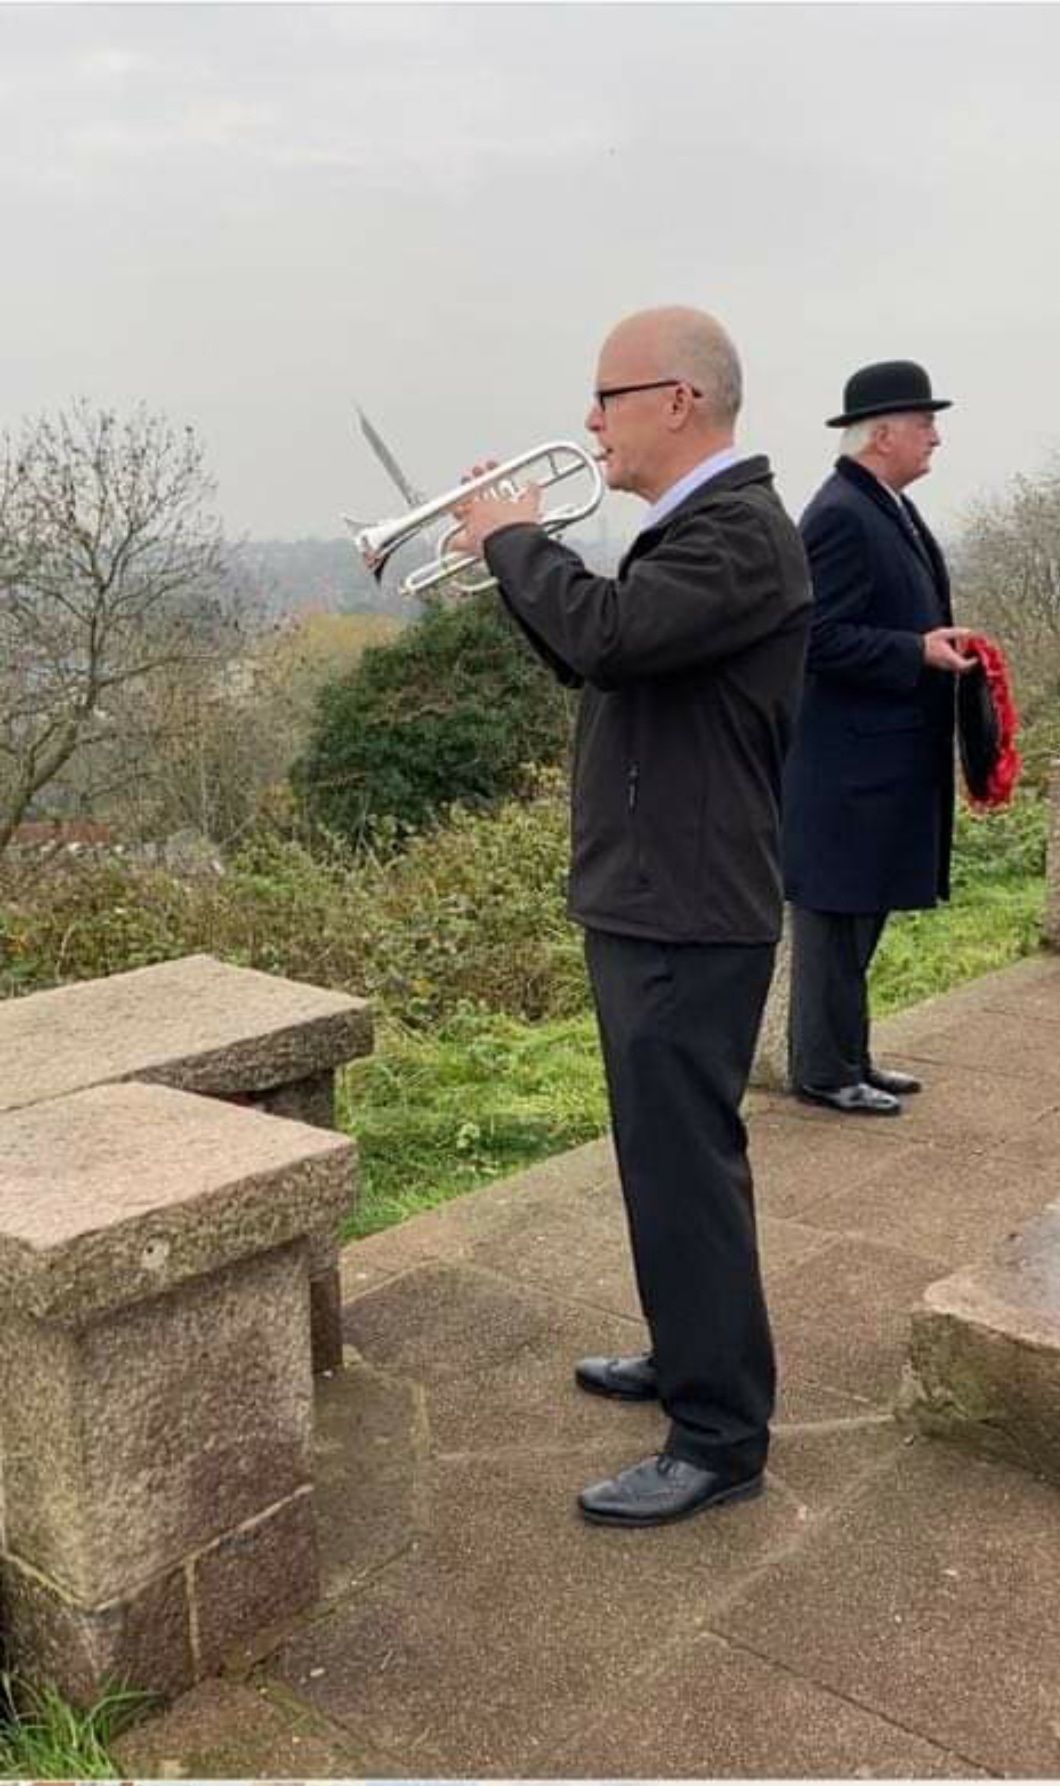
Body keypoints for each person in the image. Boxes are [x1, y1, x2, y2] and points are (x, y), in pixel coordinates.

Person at [451, 306, 811, 1528]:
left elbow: (605, 631)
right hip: (658, 893)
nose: (589, 421)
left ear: (680, 402)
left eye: (607, 397)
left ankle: (717, 1434)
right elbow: (598, 650)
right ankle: (689, 1350)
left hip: (684, 904)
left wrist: (508, 538)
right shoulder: (697, 529)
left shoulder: (739, 534)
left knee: (684, 1169)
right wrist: (514, 561)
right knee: (664, 1163)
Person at [782, 361, 975, 1116]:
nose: (936, 436)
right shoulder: (838, 514)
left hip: (879, 758)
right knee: (834, 921)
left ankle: (850, 1056)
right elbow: (813, 637)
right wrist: (914, 651)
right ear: (884, 432)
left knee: (859, 918)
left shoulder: (882, 504)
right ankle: (825, 1071)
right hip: (844, 764)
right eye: (926, 423)